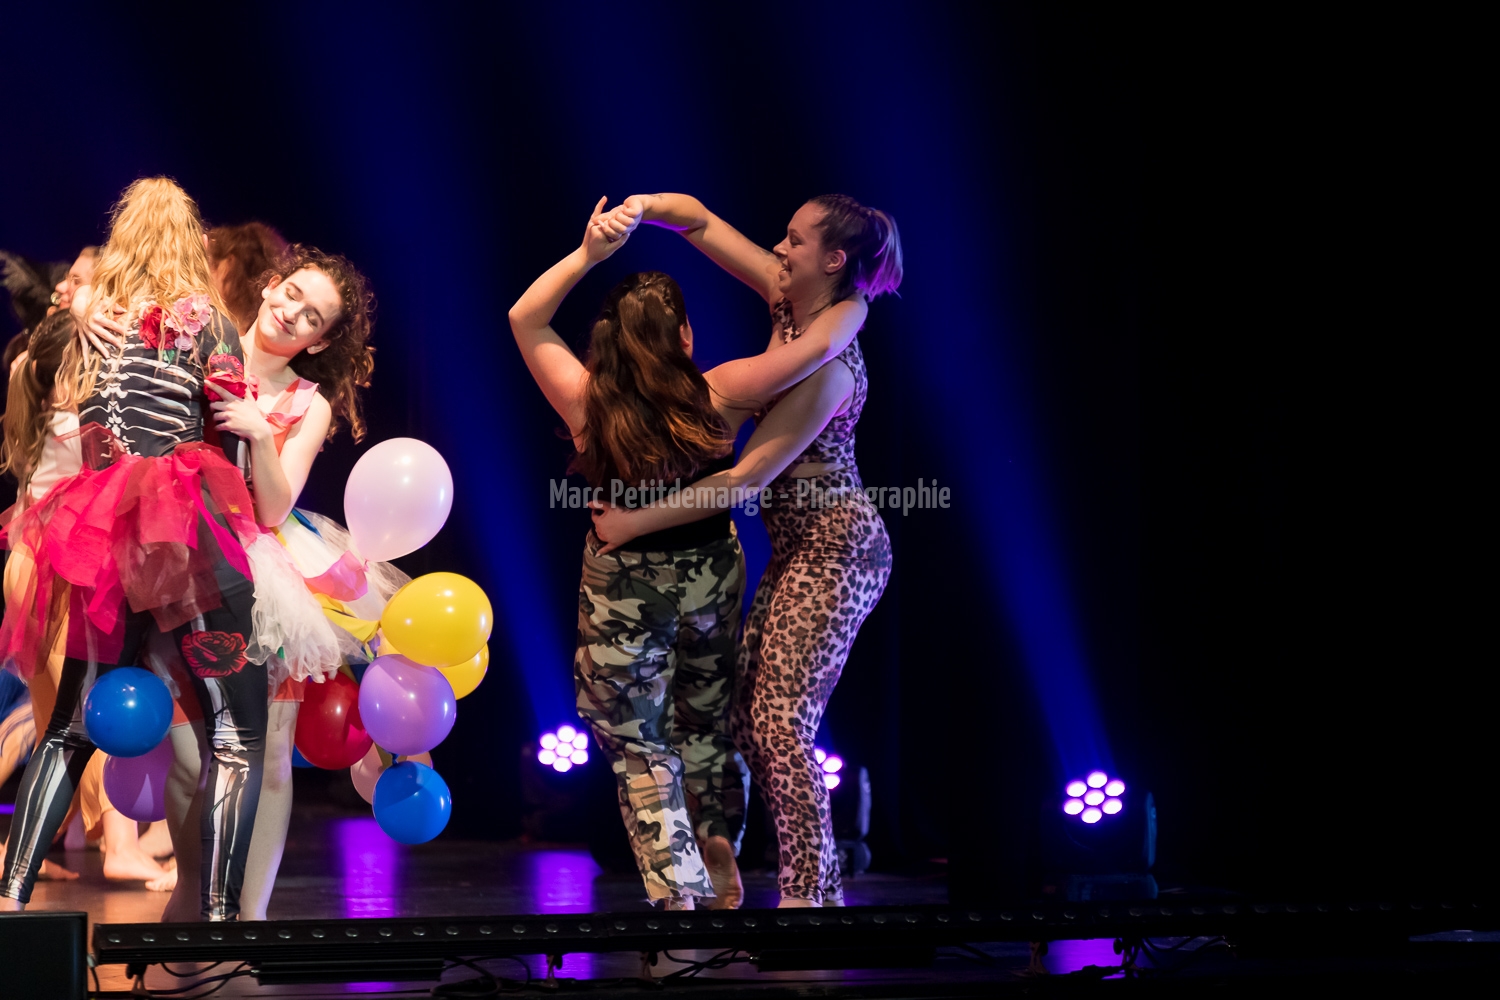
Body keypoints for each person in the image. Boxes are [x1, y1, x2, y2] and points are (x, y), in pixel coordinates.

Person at [508, 198, 869, 910]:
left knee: (638, 738)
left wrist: (587, 255)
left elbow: (526, 318)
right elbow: (813, 354)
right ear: (684, 335)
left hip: (624, 586)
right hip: (709, 573)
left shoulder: (585, 401)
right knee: (706, 718)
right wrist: (852, 307)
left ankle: (678, 886)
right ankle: (717, 833)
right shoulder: (722, 390)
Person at [591, 192, 902, 907]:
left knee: (782, 724)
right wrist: (639, 209)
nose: (779, 249)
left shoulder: (830, 364)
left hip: (839, 550)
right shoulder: (789, 300)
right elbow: (699, 220)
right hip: (796, 550)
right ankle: (775, 874)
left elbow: (745, 478)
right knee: (745, 721)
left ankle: (811, 895)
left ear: (833, 260)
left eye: (795, 240)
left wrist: (634, 524)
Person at [78, 241, 386, 921]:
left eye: (313, 317)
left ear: (320, 340)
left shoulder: (307, 404)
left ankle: (248, 920)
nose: (292, 313)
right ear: (271, 285)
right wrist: (82, 307)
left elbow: (273, 510)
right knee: (192, 758)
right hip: (173, 563)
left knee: (266, 756)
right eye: (292, 293)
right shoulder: (199, 341)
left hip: (259, 575)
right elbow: (119, 305)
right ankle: (193, 907)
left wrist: (260, 434)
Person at [0, 177, 261, 918]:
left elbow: (30, 368)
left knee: (67, 728)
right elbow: (234, 442)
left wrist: (79, 308)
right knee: (236, 734)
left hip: (101, 535)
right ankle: (219, 915)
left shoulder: (83, 322)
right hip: (186, 528)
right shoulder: (209, 321)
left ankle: (12, 897)